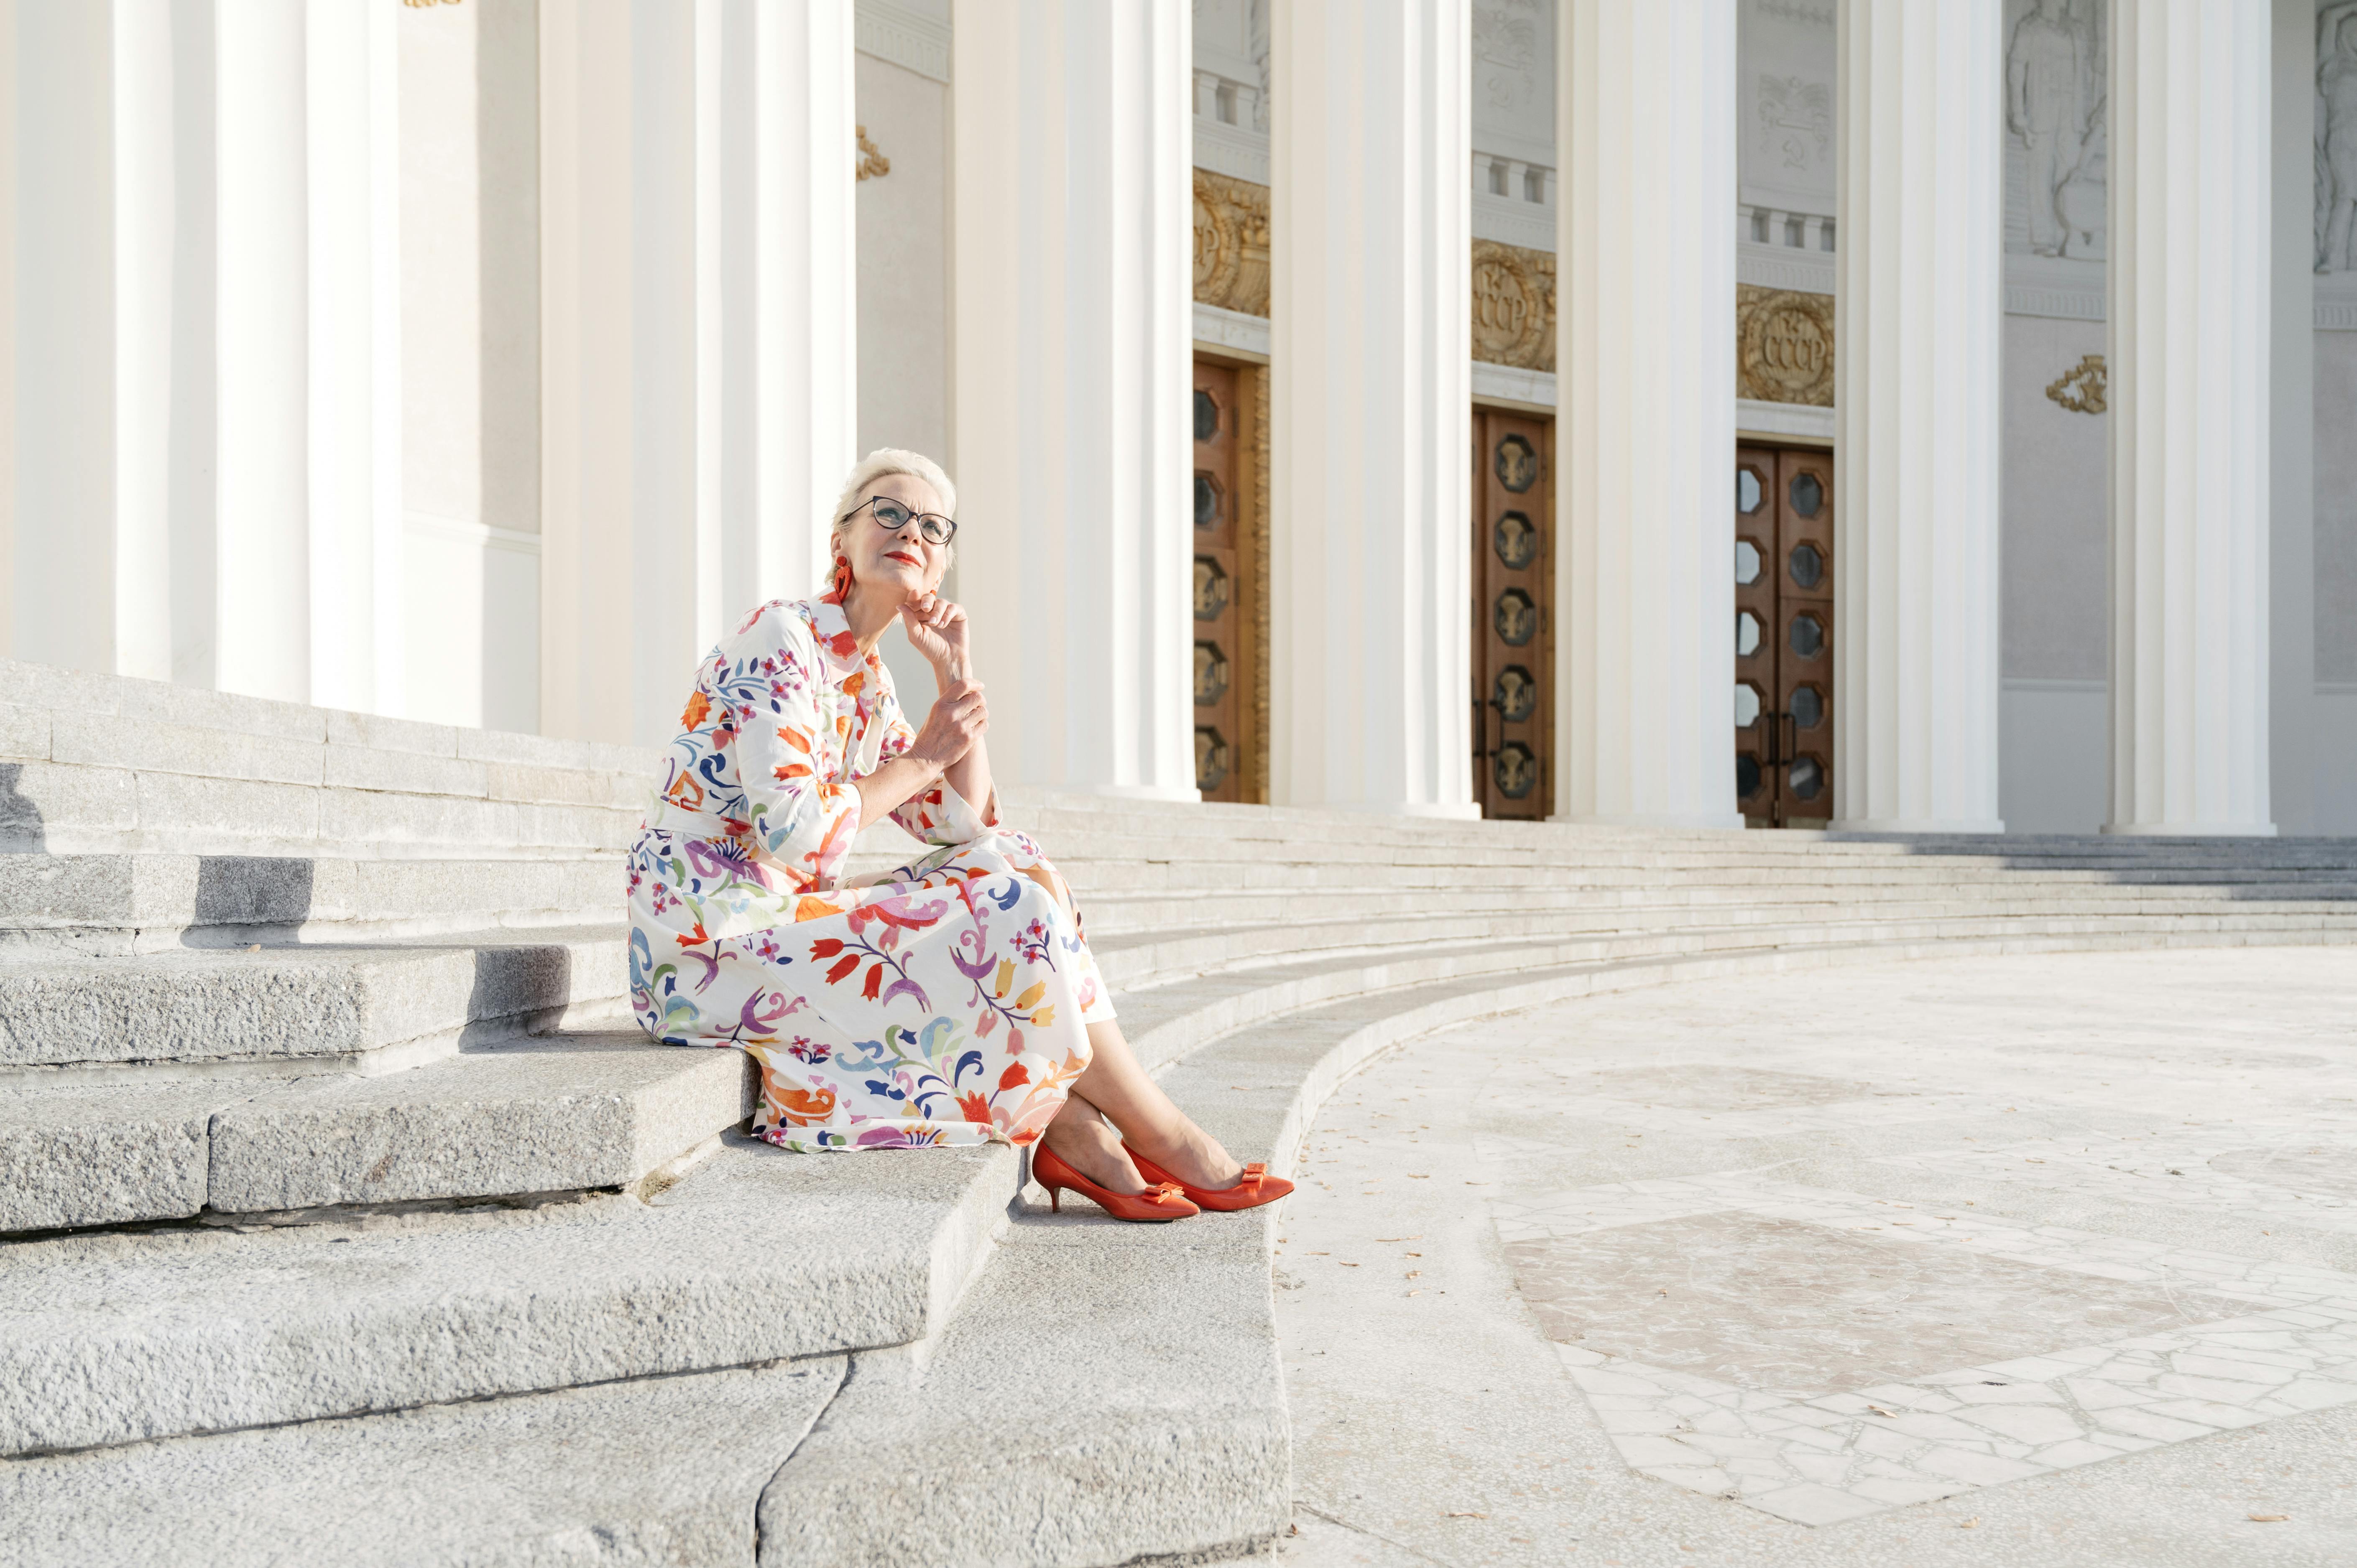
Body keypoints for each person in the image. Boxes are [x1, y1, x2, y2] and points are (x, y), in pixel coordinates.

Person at [627, 448, 1289, 1222]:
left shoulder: (866, 678)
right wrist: (923, 754)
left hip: (778, 923)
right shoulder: (784, 638)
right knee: (1009, 903)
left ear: (940, 566)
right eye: (888, 512)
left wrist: (953, 678)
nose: (911, 530)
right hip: (709, 939)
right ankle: (1141, 1132)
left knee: (1018, 867)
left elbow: (963, 825)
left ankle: (1087, 1132)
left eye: (933, 526)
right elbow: (796, 835)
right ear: (841, 539)